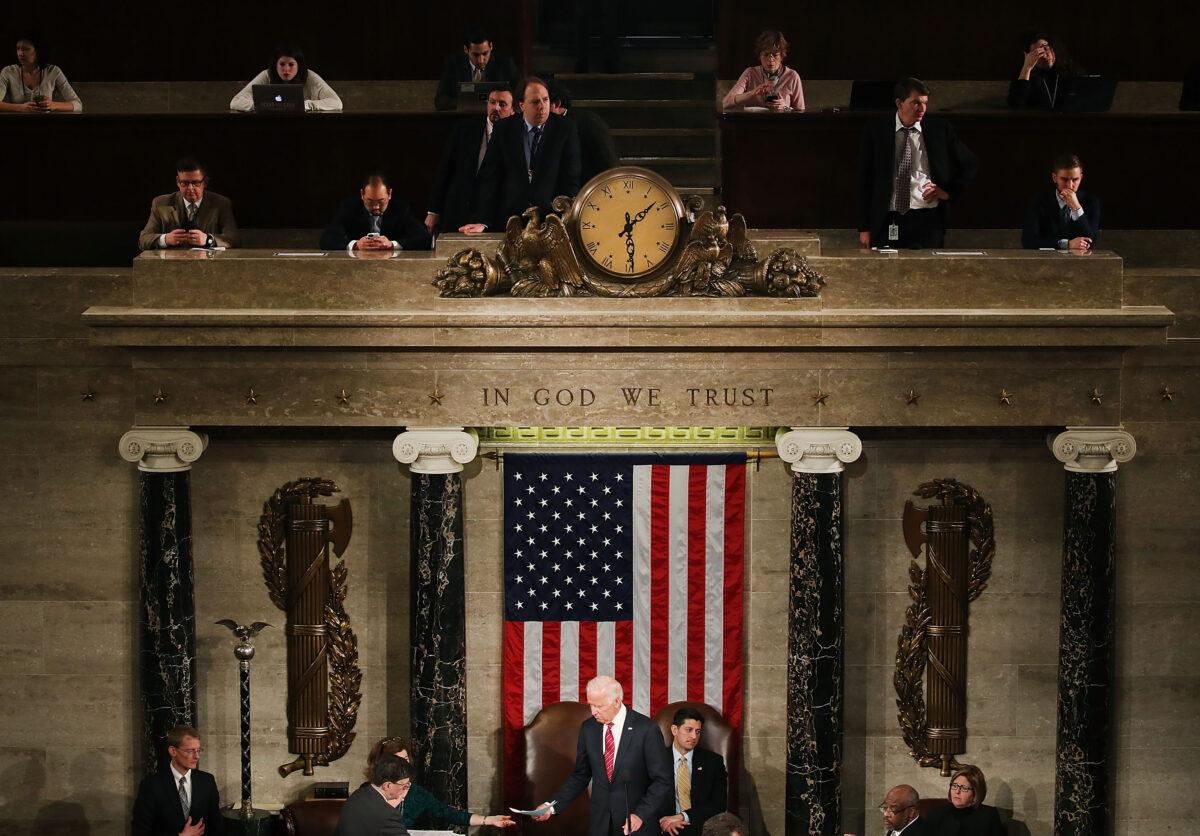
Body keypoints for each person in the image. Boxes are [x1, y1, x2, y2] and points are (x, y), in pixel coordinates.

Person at [532, 675, 672, 835]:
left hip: (636, 825)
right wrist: (552, 806)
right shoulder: (588, 728)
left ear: (617, 701)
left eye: (599, 706)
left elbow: (662, 780)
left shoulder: (646, 729)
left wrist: (641, 814)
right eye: (591, 704)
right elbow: (581, 775)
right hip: (600, 825)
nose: (593, 711)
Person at [856, 77, 978, 250]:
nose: (921, 109)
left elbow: (970, 163)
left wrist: (949, 191)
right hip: (888, 218)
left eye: (924, 103)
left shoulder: (939, 129)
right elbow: (864, 179)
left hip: (927, 218)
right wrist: (864, 227)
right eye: (915, 103)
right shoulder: (877, 130)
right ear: (899, 103)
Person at [460, 76, 581, 234]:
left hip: (551, 221)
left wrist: (565, 219)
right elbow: (490, 178)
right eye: (535, 102)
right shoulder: (504, 129)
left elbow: (571, 177)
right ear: (522, 105)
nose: (542, 107)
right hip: (508, 220)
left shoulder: (565, 128)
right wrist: (484, 221)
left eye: (545, 100)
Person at [365, 737, 515, 830]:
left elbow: (449, 814)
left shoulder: (417, 793)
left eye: (406, 759)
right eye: (398, 761)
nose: (405, 765)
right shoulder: (368, 792)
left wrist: (489, 820)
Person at [425, 86, 514, 235]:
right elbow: (445, 169)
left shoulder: (516, 137)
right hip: (458, 209)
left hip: (492, 217)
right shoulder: (465, 129)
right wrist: (434, 210)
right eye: (492, 102)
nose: (496, 108)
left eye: (502, 104)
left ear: (513, 109)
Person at [132, 724, 224, 836]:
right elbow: (139, 831)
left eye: (198, 750)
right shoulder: (151, 785)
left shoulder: (207, 781)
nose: (196, 756)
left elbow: (216, 826)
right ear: (173, 751)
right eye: (190, 751)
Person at [139, 158, 239, 251]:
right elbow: (143, 240)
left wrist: (208, 239)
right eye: (185, 183)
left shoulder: (221, 203)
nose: (190, 188)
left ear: (205, 182)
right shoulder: (160, 203)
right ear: (178, 181)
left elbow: (233, 238)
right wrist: (166, 239)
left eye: (196, 183)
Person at [657, 707, 728, 836]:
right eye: (689, 730)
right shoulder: (656, 760)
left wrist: (682, 816)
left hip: (701, 827)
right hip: (664, 828)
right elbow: (647, 798)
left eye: (698, 731)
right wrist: (664, 821)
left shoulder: (713, 762)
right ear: (674, 730)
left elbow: (719, 804)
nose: (694, 736)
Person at [320, 172, 430, 252]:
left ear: (390, 194)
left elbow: (424, 238)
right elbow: (326, 239)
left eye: (381, 201)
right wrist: (355, 245)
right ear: (362, 194)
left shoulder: (402, 208)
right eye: (370, 201)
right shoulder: (348, 207)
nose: (376, 207)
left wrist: (392, 244)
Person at [1021, 152, 1100, 252]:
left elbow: (1090, 242)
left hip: (1080, 263)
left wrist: (1077, 208)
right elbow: (1028, 242)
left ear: (1081, 178)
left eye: (1075, 180)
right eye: (1064, 179)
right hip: (1045, 262)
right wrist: (1067, 244)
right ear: (1055, 178)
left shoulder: (1091, 201)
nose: (1070, 185)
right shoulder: (1038, 201)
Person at [229, 44, 342, 112]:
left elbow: (337, 103)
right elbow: (235, 102)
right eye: (282, 64)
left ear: (299, 65)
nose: (286, 70)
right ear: (275, 65)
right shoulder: (267, 74)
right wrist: (261, 105)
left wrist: (307, 104)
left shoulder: (310, 76)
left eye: (291, 65)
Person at [547, 79, 618, 185]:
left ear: (556, 104)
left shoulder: (587, 121)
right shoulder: (547, 127)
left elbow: (609, 163)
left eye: (544, 101)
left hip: (590, 192)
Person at [434, 27, 520, 111]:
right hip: (465, 119)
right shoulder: (454, 65)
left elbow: (519, 96)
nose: (481, 60)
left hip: (498, 119)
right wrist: (467, 104)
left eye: (485, 53)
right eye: (475, 55)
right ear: (466, 49)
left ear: (491, 46)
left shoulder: (505, 64)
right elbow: (440, 101)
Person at [721, 30, 804, 113]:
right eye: (766, 54)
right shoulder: (750, 73)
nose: (770, 59)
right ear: (759, 56)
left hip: (781, 124)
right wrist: (752, 93)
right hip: (753, 123)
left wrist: (785, 107)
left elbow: (800, 111)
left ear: (782, 56)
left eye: (775, 55)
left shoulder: (792, 76)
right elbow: (726, 103)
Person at [333, 753, 412, 836]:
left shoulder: (357, 794)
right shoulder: (389, 815)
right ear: (387, 785)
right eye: (404, 785)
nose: (405, 789)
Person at [0, 34, 82, 113]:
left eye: (25, 49)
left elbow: (78, 104)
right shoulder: (8, 72)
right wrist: (20, 108)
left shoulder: (53, 71)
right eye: (18, 49)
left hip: (45, 124)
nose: (20, 53)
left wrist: (53, 105)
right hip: (16, 124)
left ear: (37, 51)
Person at [925, 765, 1005, 836]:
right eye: (955, 786)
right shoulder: (936, 814)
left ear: (975, 792)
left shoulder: (989, 816)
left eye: (964, 788)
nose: (957, 791)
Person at [1008, 31, 1076, 111]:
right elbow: (1016, 106)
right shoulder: (1023, 75)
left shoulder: (1069, 71)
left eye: (1046, 48)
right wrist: (1027, 68)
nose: (1044, 55)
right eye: (1038, 53)